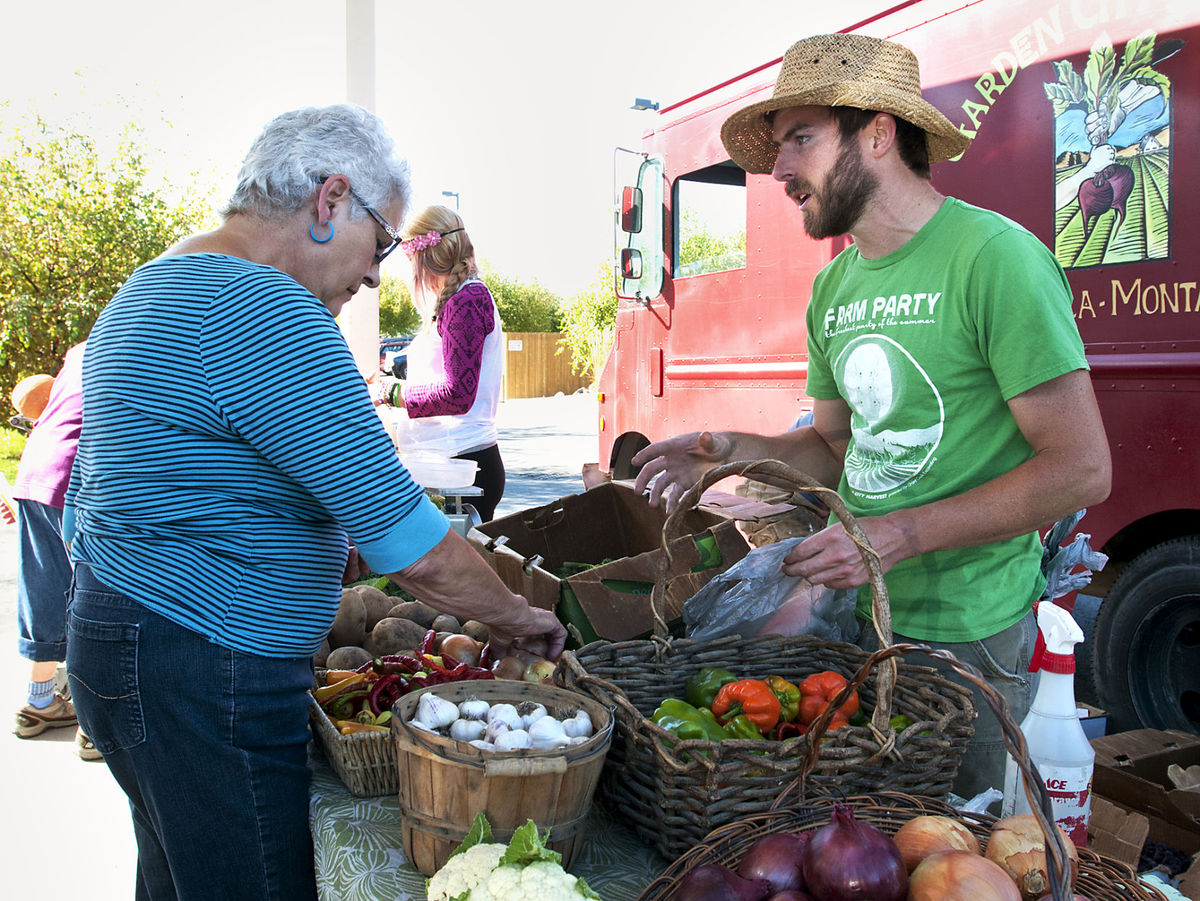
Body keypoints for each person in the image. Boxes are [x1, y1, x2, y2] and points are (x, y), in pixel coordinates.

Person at [63, 104, 565, 901]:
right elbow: (420, 548)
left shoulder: (154, 282)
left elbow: (156, 481)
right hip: (203, 663)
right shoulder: (263, 309)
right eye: (383, 242)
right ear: (331, 202)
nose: (375, 273)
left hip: (125, 642)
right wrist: (522, 618)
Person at [632, 33, 1111, 800]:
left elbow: (1080, 467)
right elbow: (831, 444)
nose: (781, 169)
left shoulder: (995, 259)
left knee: (959, 848)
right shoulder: (836, 287)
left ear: (879, 132)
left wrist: (896, 536)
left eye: (802, 139)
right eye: (780, 146)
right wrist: (728, 455)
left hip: (972, 642)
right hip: (857, 625)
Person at [374, 205, 506, 521]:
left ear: (425, 257)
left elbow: (457, 393)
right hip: (452, 463)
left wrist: (392, 392)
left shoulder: (467, 300)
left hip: (460, 465)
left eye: (410, 261)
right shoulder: (459, 300)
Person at [10, 342, 101, 760]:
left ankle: (39, 702)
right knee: (93, 598)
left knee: (44, 586)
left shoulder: (80, 349)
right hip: (77, 475)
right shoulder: (129, 341)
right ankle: (91, 725)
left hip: (35, 468)